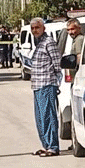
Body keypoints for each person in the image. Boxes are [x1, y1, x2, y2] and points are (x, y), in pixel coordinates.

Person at [27, 17, 62, 157]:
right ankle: (46, 145)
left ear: (43, 28)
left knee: (48, 116)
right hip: (37, 85)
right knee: (40, 118)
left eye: (37, 27)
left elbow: (57, 63)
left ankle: (53, 146)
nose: (35, 30)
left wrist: (56, 81)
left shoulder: (49, 42)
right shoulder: (39, 44)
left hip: (47, 84)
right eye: (33, 28)